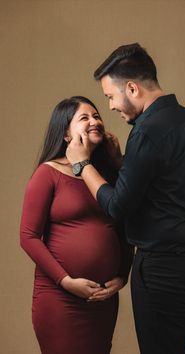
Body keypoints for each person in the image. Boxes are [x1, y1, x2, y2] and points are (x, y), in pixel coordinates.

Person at [66, 44, 185, 354]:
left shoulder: (147, 130)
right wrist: (123, 164)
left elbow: (118, 205)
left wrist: (82, 165)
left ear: (131, 88)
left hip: (162, 270)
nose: (110, 107)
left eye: (109, 96)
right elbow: (167, 187)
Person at [20, 95, 133, 354]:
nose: (94, 121)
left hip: (102, 300)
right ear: (66, 135)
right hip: (60, 298)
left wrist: (122, 275)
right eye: (84, 118)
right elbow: (28, 236)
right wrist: (66, 281)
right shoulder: (47, 173)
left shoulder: (107, 176)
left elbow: (126, 229)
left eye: (96, 116)